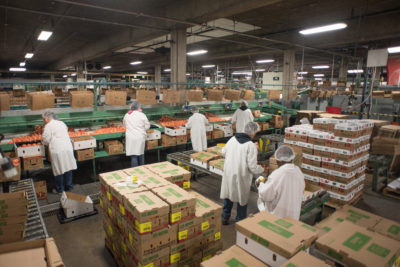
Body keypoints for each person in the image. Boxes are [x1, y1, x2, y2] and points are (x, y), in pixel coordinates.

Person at [220, 121, 265, 224]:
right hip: (241, 176)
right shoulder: (251, 145)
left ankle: (224, 218)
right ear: (253, 132)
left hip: (229, 173)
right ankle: (240, 222)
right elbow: (252, 167)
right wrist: (262, 169)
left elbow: (223, 152)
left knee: (229, 195)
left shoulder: (232, 139)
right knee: (242, 199)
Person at [256, 145, 305, 220]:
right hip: (294, 216)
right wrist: (269, 182)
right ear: (292, 158)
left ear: (278, 160)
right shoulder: (298, 172)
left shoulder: (277, 174)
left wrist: (260, 184)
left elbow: (265, 195)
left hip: (278, 218)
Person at [42, 111, 77, 193]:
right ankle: (69, 187)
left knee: (58, 169)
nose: (44, 121)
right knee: (68, 167)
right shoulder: (61, 123)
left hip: (57, 149)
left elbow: (46, 139)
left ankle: (60, 189)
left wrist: (45, 142)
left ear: (48, 118)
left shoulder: (48, 126)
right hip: (67, 147)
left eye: (44, 119)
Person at [123, 101, 150, 167]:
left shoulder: (127, 115)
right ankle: (142, 169)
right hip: (139, 137)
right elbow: (147, 126)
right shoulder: (142, 115)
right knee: (141, 153)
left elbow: (124, 125)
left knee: (133, 155)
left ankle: (135, 172)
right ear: (138, 107)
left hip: (130, 137)